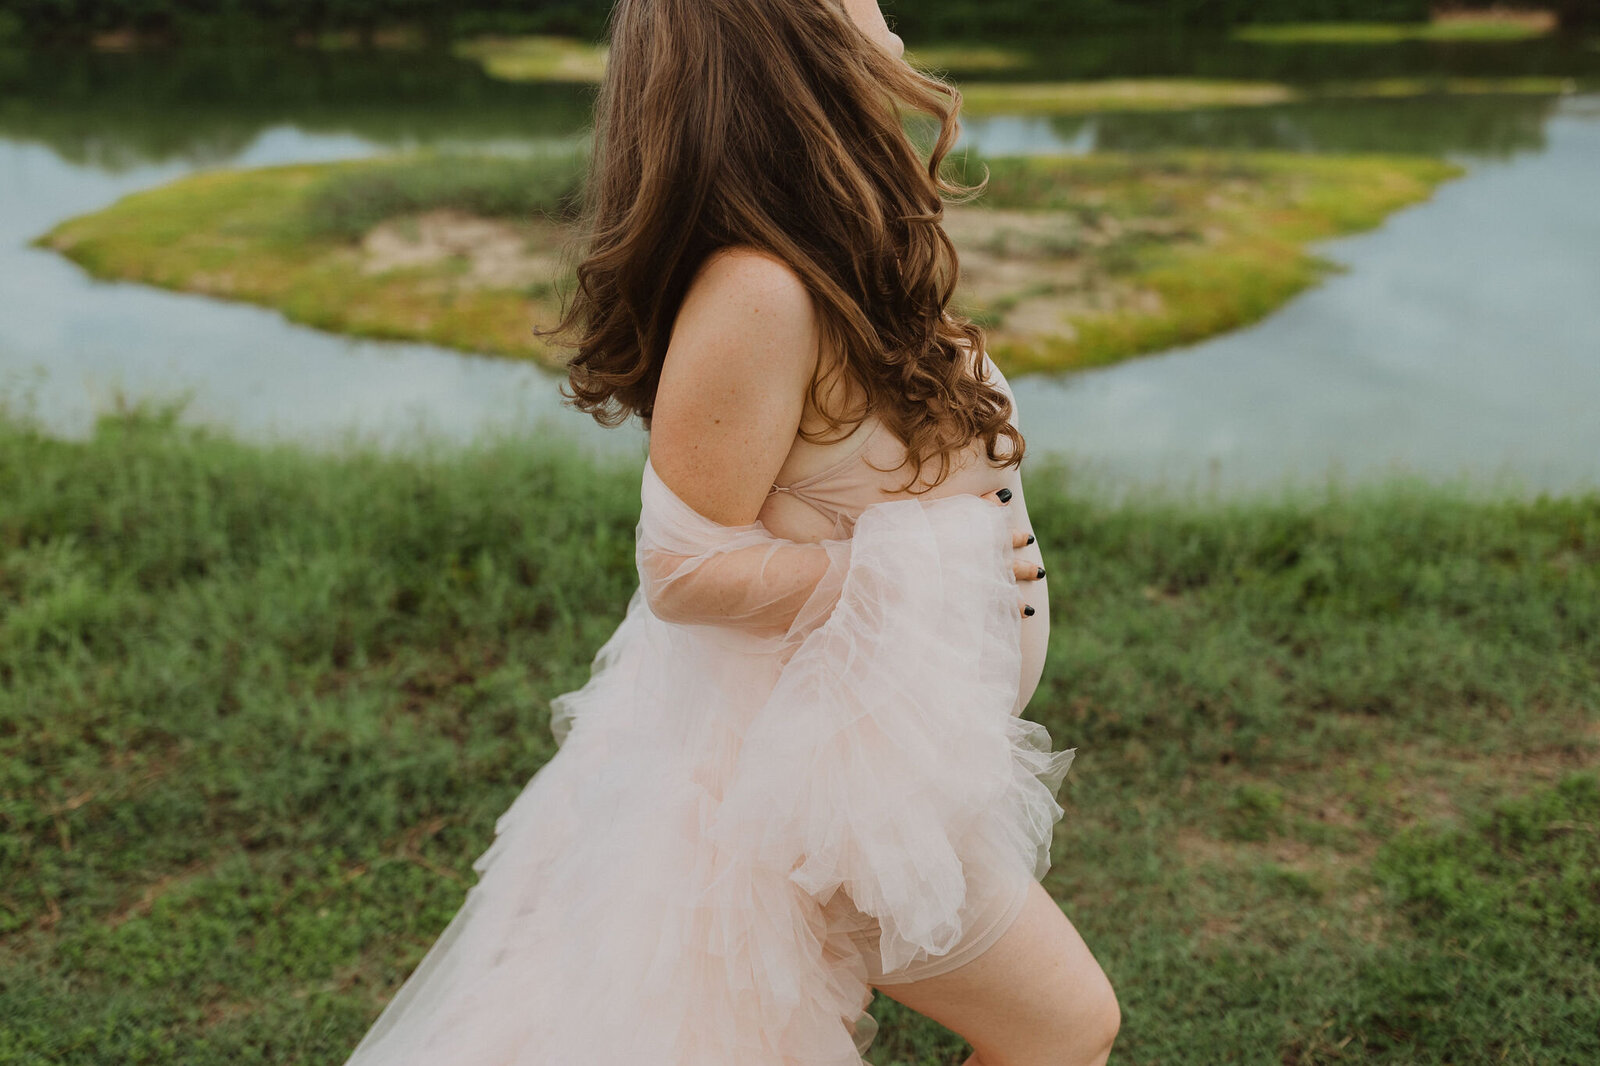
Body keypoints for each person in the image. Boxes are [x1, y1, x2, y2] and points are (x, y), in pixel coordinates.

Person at [341, 2, 1119, 1064]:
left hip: (873, 759)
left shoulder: (832, 247)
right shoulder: (759, 289)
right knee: (1065, 1026)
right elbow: (682, 566)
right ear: (784, 35)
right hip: (815, 784)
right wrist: (922, 576)